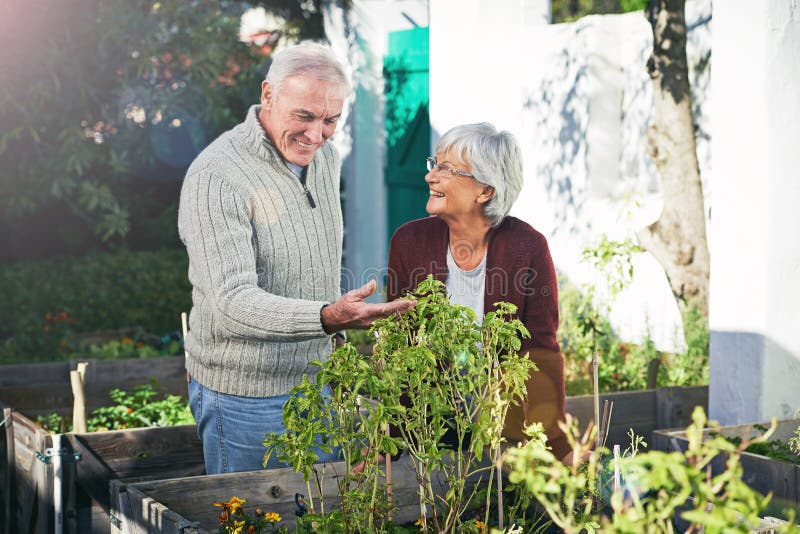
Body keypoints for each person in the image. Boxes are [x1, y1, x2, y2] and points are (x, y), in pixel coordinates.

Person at [178, 41, 414, 475]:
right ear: (268, 95)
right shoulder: (216, 176)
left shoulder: (326, 159)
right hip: (247, 397)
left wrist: (337, 351)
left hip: (319, 387)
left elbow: (314, 267)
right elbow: (232, 302)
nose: (316, 134)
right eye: (304, 116)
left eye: (331, 120)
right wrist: (327, 317)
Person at [386, 123, 570, 461]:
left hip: (504, 429)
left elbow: (540, 352)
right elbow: (402, 349)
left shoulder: (527, 247)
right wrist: (391, 442)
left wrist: (557, 447)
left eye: (446, 169)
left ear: (484, 191)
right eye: (434, 163)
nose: (430, 177)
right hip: (429, 429)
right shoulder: (408, 242)